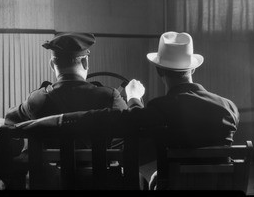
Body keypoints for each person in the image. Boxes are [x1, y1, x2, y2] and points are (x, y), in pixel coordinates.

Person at [14, 32, 240, 190]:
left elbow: (130, 121)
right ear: (192, 68)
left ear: (159, 70)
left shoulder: (161, 109)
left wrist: (133, 98)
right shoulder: (229, 107)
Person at [1, 32, 135, 190]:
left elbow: (10, 124)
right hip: (99, 183)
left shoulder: (36, 100)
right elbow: (132, 123)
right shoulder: (109, 96)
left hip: (51, 184)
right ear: (85, 62)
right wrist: (134, 97)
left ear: (52, 65)